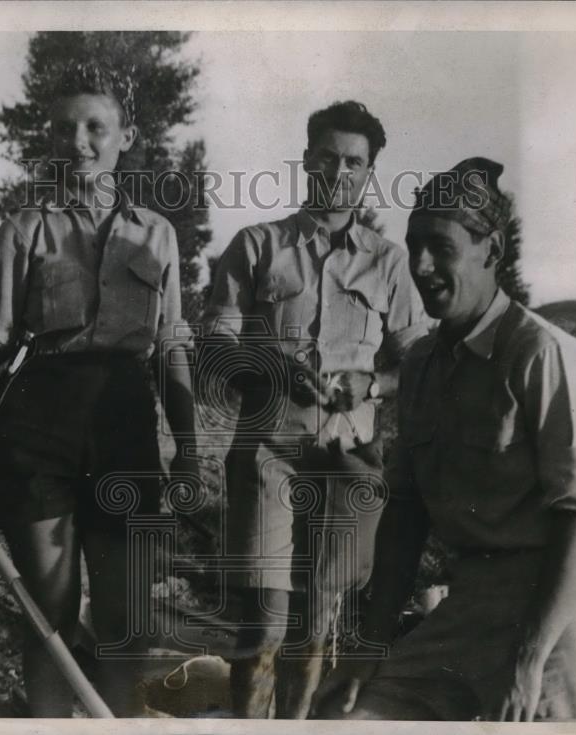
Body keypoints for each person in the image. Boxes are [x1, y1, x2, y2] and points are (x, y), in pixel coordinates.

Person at [313, 157, 576, 721]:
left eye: (440, 246)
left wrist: (529, 662)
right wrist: (366, 652)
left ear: (493, 250)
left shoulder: (545, 357)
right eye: (413, 247)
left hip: (559, 614)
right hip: (468, 607)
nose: (422, 265)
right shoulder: (422, 367)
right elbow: (404, 517)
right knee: (352, 718)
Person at [0, 64, 199, 717]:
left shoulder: (157, 233)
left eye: (95, 127)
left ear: (125, 136)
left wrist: (189, 450)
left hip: (124, 426)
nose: (78, 142)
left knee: (125, 623)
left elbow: (171, 351)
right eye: (63, 129)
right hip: (38, 426)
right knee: (48, 617)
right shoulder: (21, 229)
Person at [199, 100, 431, 719]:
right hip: (268, 455)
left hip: (350, 463)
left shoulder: (390, 262)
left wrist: (372, 387)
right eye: (327, 157)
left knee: (317, 626)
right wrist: (275, 368)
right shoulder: (257, 246)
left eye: (354, 162)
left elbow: (419, 359)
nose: (339, 171)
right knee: (264, 628)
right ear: (307, 161)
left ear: (369, 174)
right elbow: (215, 345)